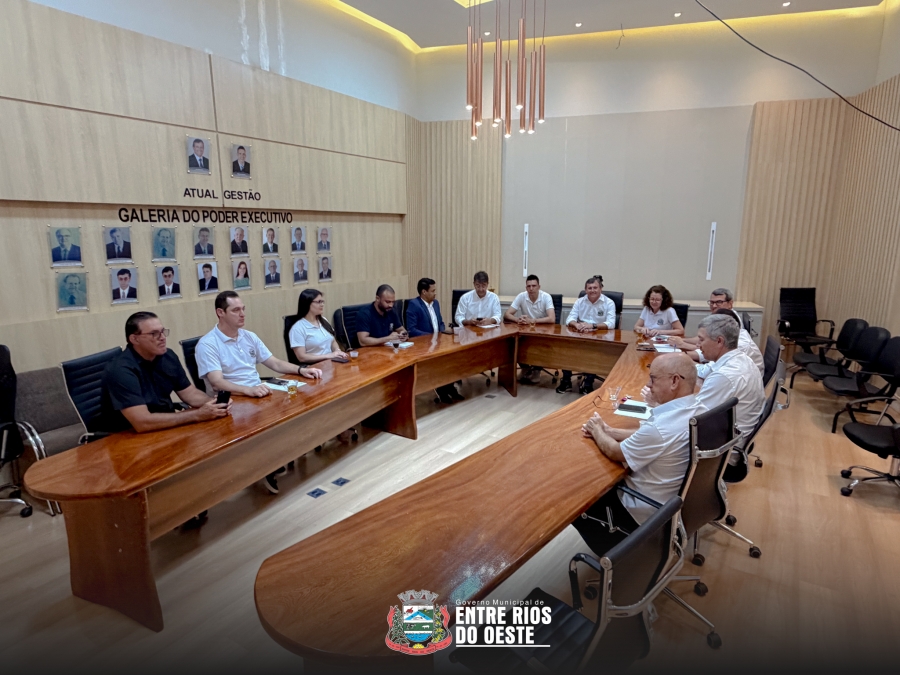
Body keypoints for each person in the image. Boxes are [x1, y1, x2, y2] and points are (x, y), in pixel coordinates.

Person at [572, 353, 702, 556]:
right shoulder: (698, 408)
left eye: (653, 379)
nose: (648, 385)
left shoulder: (662, 428)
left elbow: (616, 452)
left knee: (575, 496)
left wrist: (596, 430)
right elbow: (648, 436)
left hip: (641, 517)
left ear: (675, 381)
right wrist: (610, 431)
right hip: (670, 508)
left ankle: (621, 555)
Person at [195, 291, 322, 493]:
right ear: (220, 312)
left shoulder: (249, 336)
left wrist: (301, 370)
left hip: (257, 394)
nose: (242, 314)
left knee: (297, 403)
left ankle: (277, 457)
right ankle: (264, 466)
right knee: (267, 421)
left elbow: (274, 363)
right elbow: (217, 383)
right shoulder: (208, 344)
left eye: (243, 309)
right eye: (236, 310)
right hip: (233, 402)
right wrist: (249, 390)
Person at [649, 314, 765, 475]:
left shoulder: (725, 377)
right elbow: (705, 371)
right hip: (727, 440)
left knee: (648, 440)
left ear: (719, 341)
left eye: (701, 340)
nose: (697, 344)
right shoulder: (740, 359)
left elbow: (692, 422)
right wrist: (677, 367)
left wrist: (658, 405)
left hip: (718, 455)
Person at [100, 311, 230, 434]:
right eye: (154, 334)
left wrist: (215, 404)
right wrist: (197, 414)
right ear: (134, 339)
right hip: (128, 435)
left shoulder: (168, 356)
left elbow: (190, 394)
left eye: (162, 332)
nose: (162, 338)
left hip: (165, 425)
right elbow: (142, 422)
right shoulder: (120, 370)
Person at [669, 288, 763, 375]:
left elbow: (710, 367)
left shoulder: (739, 342)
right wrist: (682, 349)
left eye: (719, 302)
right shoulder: (725, 316)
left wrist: (682, 351)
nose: (714, 306)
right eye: (711, 302)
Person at [556, 275, 617, 395]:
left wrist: (592, 326)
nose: (592, 290)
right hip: (580, 335)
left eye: (595, 288)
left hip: (599, 337)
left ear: (601, 289)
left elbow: (611, 323)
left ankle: (588, 383)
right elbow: (569, 319)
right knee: (565, 348)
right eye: (589, 288)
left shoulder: (609, 303)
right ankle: (566, 380)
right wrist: (577, 325)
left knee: (593, 351)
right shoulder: (580, 301)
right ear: (585, 290)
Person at [406, 278, 462, 403]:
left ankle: (450, 388)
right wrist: (431, 337)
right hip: (424, 345)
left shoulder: (435, 303)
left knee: (453, 357)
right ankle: (442, 391)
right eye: (433, 291)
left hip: (439, 342)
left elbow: (440, 322)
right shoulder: (414, 305)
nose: (435, 293)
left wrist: (442, 334)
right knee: (440, 363)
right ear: (424, 292)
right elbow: (412, 330)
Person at [504, 274, 555, 383]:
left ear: (539, 287)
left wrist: (532, 321)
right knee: (515, 342)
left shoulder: (546, 297)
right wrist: (517, 319)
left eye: (534, 286)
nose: (531, 289)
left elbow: (552, 318)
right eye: (529, 286)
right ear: (526, 287)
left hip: (543, 330)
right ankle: (525, 368)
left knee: (539, 344)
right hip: (527, 331)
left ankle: (537, 371)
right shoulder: (521, 296)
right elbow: (507, 314)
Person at [290, 289, 350, 364]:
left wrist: (337, 351)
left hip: (331, 362)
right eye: (318, 302)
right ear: (307, 303)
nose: (322, 305)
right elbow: (302, 357)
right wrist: (328, 356)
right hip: (314, 366)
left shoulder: (323, 320)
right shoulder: (297, 328)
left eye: (322, 302)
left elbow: (332, 340)